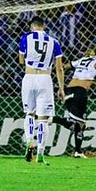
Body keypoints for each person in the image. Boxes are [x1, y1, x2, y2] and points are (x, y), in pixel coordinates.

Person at [19, 16, 65, 164]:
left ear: (32, 27)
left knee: (29, 113)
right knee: (43, 118)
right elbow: (59, 67)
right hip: (45, 79)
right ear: (43, 26)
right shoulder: (54, 42)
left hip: (29, 76)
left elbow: (21, 60)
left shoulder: (25, 38)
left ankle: (29, 141)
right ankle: (40, 152)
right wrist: (61, 88)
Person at [52, 46, 96, 158]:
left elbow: (66, 67)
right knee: (79, 124)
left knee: (78, 124)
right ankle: (52, 119)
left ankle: (78, 151)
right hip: (79, 91)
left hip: (68, 90)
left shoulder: (83, 59)